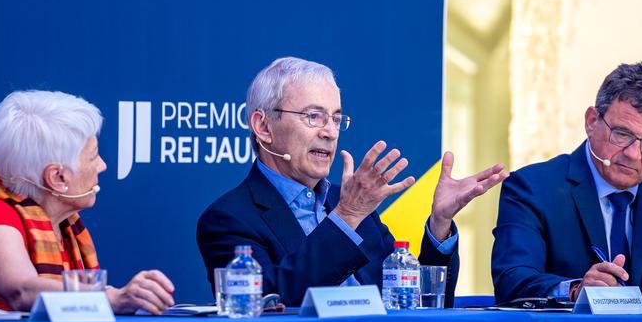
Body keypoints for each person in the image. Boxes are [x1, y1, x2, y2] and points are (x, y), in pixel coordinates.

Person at [197, 57, 507, 307]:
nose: (330, 131)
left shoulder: (350, 204)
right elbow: (271, 304)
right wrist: (347, 216)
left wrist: (439, 223)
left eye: (335, 118)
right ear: (263, 126)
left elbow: (413, 300)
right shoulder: (228, 219)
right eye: (313, 116)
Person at [491, 62, 642, 303]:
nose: (634, 154)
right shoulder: (533, 187)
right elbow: (512, 280)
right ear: (591, 121)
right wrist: (575, 290)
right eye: (622, 134)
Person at [0, 90, 176, 314]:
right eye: (93, 156)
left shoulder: (64, 226)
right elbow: (22, 292)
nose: (103, 166)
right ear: (57, 178)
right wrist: (111, 297)